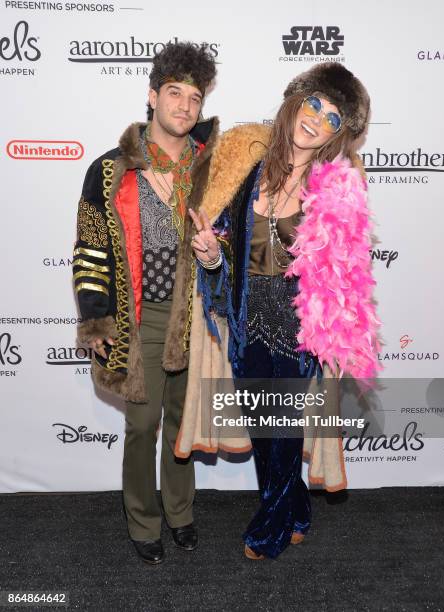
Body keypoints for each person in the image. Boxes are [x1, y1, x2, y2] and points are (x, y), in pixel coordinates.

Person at [188, 63, 380, 560]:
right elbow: (227, 250)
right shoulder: (249, 168)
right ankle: (297, 510)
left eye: (333, 118)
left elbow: (342, 268)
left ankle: (268, 530)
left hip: (299, 325)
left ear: (338, 135)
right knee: (261, 427)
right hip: (248, 316)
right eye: (315, 103)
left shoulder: (334, 186)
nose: (317, 119)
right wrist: (211, 254)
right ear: (296, 101)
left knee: (285, 430)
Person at [72, 42, 218, 565]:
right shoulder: (110, 169)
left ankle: (180, 512)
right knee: (141, 425)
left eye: (194, 97)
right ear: (153, 96)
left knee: (184, 425)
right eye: (174, 92)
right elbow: (89, 248)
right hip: (141, 319)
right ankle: (142, 519)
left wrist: (214, 254)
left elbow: (229, 242)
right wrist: (96, 316)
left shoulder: (213, 169)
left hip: (199, 319)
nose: (184, 105)